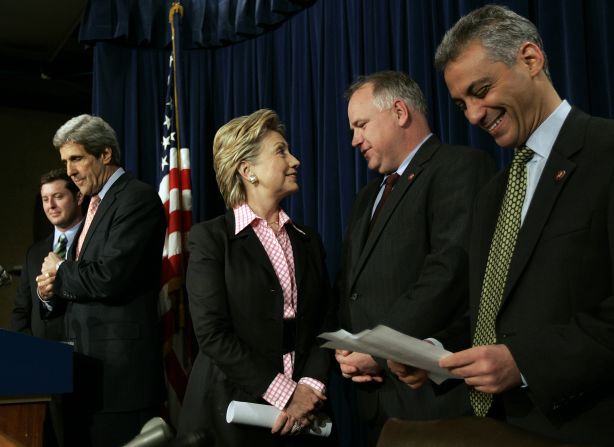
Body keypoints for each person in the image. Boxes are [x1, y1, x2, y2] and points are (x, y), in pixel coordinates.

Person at [389, 5, 614, 445]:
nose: (473, 115)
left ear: (531, 60)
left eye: (482, 90)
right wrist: (438, 355)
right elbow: (496, 313)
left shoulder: (606, 152)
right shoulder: (494, 193)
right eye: (461, 104)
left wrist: (526, 363)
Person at [335, 70, 494, 445]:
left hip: (436, 401)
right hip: (376, 401)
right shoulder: (366, 197)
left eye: (361, 125)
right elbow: (351, 284)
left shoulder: (460, 167)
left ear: (400, 112)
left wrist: (377, 347)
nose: (355, 139)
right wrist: (349, 347)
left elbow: (449, 270)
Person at [178, 109, 333, 446]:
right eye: (281, 151)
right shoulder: (210, 239)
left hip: (306, 419)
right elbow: (212, 334)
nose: (295, 161)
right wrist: (285, 394)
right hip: (231, 419)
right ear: (247, 171)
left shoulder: (308, 239)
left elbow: (326, 321)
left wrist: (310, 386)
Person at [36, 114, 167, 447]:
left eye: (76, 158)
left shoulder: (136, 198)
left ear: (105, 154)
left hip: (121, 383)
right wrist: (52, 290)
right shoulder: (96, 205)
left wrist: (61, 269)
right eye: (65, 161)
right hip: (88, 378)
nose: (69, 170)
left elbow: (110, 276)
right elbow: (86, 282)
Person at [11, 168, 84, 447]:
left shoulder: (91, 243)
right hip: (43, 374)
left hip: (85, 363)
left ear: (78, 197)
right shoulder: (34, 252)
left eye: (58, 197)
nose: (50, 206)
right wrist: (32, 356)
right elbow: (20, 311)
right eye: (44, 199)